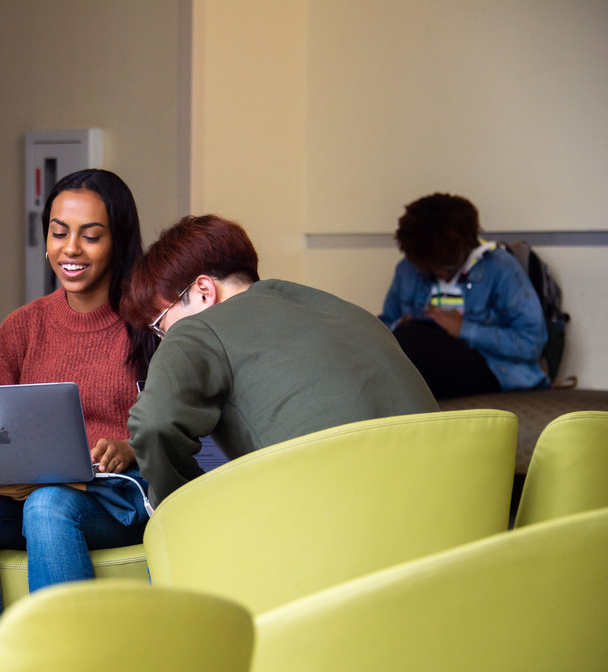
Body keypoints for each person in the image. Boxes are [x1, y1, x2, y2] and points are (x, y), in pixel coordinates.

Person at [0, 169, 156, 672]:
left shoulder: (148, 325)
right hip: (28, 492)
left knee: (50, 504)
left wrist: (130, 446)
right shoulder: (24, 326)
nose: (70, 248)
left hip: (114, 498)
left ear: (118, 242)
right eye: (59, 232)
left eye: (91, 234)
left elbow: (178, 425)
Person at [123, 214, 438, 507]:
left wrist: (184, 509)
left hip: (338, 517)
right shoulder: (347, 310)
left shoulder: (197, 329)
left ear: (205, 291)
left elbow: (153, 426)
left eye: (161, 325)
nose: (164, 339)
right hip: (446, 507)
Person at [379, 193, 549, 398]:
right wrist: (399, 324)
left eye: (447, 265)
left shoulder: (500, 268)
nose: (439, 273)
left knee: (411, 338)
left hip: (489, 368)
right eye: (429, 268)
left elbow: (530, 345)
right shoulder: (407, 269)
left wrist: (463, 329)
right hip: (421, 366)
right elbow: (383, 328)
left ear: (468, 244)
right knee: (389, 344)